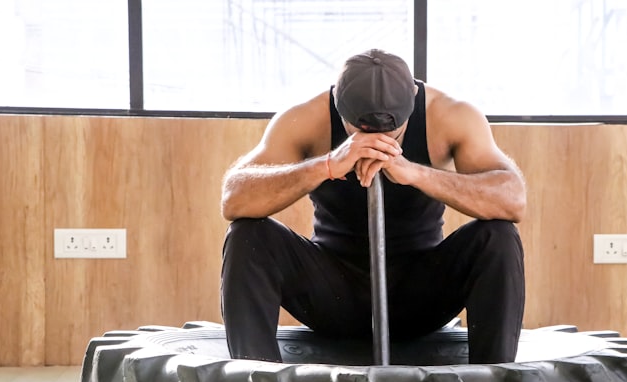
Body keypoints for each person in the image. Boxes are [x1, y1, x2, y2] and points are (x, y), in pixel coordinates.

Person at [220, 49, 526, 364]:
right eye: (361, 134)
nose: (376, 145)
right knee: (248, 235)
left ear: (413, 98)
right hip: (334, 296)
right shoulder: (306, 119)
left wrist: (415, 173)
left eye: (392, 133)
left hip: (419, 296)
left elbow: (513, 200)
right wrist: (327, 164)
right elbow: (234, 198)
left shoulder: (448, 116)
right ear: (338, 104)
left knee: (497, 236)